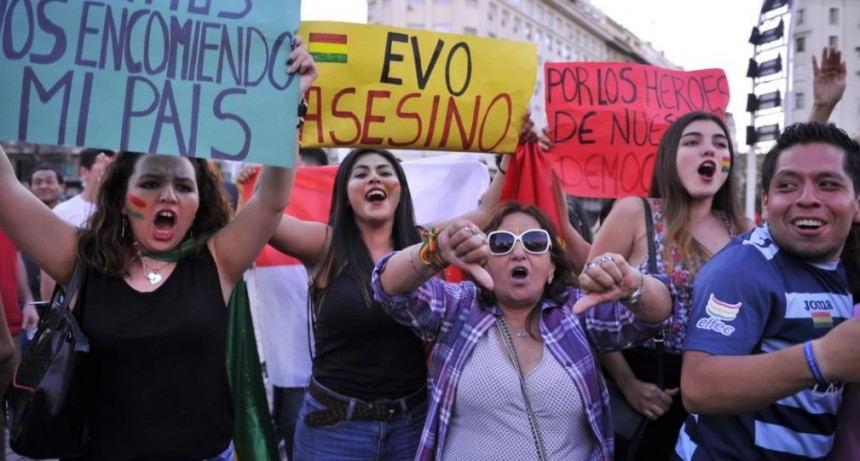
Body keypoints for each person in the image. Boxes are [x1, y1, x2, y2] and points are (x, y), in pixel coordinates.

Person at [0, 39, 317, 461]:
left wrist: (289, 105)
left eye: (183, 186)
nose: (168, 195)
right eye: (150, 183)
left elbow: (272, 199)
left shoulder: (218, 260)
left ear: (199, 202)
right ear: (121, 198)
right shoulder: (81, 258)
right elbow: (5, 189)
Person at [266, 125, 540, 460]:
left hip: (410, 429)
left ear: (401, 191)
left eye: (385, 173)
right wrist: (280, 142)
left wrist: (511, 146)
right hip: (334, 431)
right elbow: (268, 218)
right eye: (361, 174)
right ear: (345, 194)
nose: (374, 179)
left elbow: (486, 214)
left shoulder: (425, 242)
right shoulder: (325, 245)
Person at [371, 202, 675, 460]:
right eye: (502, 243)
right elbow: (388, 289)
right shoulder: (459, 307)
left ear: (551, 267)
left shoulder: (576, 311)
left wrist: (634, 285)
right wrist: (434, 250)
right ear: (484, 261)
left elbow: (657, 316)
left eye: (535, 243)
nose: (518, 253)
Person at [672, 122, 860, 460]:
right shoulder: (743, 268)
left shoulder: (843, 265)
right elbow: (698, 386)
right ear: (766, 201)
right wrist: (820, 359)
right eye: (787, 185)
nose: (807, 199)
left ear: (857, 204)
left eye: (828, 184)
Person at [591, 111, 751, 461]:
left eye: (720, 144)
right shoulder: (635, 212)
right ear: (669, 158)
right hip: (650, 390)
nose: (708, 151)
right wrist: (628, 383)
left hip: (719, 397)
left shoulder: (743, 229)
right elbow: (589, 307)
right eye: (692, 142)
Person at [40, 148, 115, 301]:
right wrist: (50, 306)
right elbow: (48, 267)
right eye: (104, 168)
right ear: (84, 172)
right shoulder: (63, 211)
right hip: (71, 302)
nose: (108, 174)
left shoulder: (122, 211)